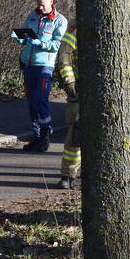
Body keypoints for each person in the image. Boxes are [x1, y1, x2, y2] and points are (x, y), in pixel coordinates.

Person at [17, 0, 67, 152]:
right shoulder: (32, 15)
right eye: (38, 4)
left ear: (51, 1)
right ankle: (36, 137)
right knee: (31, 102)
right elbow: (25, 36)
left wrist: (41, 43)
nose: (40, 7)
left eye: (43, 4)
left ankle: (46, 133)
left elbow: (56, 45)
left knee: (40, 99)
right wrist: (19, 38)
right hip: (28, 65)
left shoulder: (59, 20)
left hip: (44, 66)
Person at [55, 24, 80, 188]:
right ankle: (68, 174)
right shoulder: (77, 26)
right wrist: (70, 83)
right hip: (79, 90)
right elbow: (64, 56)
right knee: (75, 135)